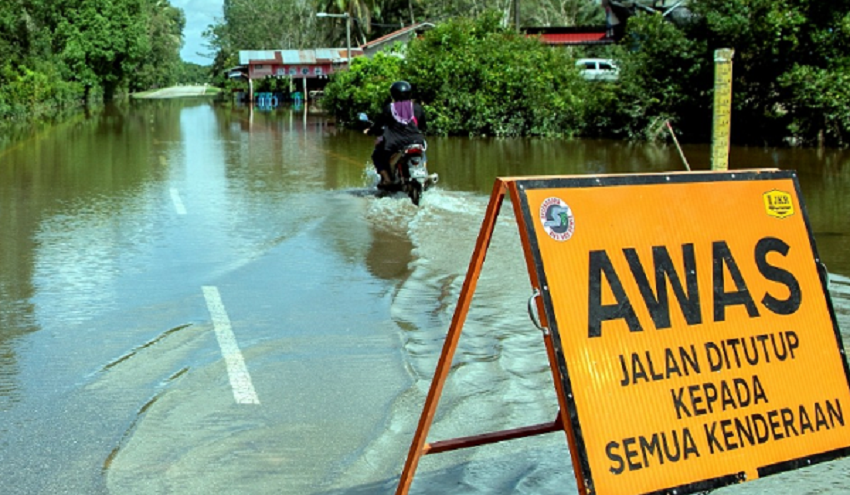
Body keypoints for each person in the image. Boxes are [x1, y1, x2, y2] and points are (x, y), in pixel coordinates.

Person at [364, 81, 427, 185]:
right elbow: (423, 126)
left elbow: (378, 126)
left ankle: (387, 179)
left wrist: (369, 131)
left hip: (395, 144)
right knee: (423, 151)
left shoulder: (389, 108)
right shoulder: (417, 108)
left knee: (377, 155)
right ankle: (424, 170)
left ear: (393, 94)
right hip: (416, 140)